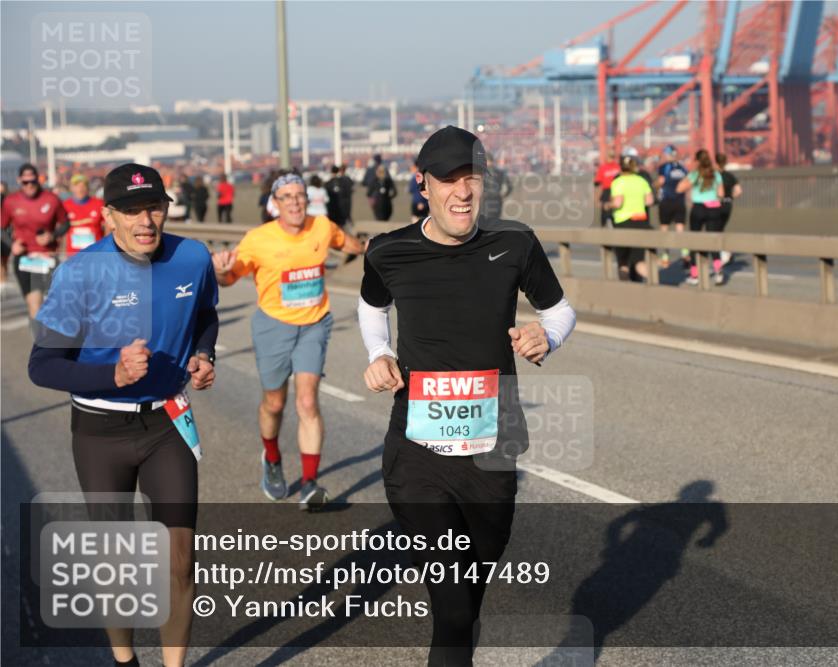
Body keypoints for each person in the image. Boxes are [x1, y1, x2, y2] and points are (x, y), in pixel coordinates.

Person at [359, 125, 576, 666]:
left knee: (468, 603)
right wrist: (377, 353)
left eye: (472, 178)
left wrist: (545, 335)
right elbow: (370, 305)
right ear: (423, 185)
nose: (462, 191)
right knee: (453, 606)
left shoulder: (514, 243)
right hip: (417, 454)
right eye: (449, 180)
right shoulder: (390, 252)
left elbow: (560, 310)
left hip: (492, 451)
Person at [27, 162, 219, 667]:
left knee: (180, 561)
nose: (145, 221)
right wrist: (110, 375)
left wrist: (205, 354)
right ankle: (125, 660)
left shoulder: (193, 257)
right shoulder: (80, 272)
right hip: (99, 431)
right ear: (108, 213)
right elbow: (42, 365)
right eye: (131, 210)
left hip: (166, 425)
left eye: (154, 207)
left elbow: (205, 315)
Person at [211, 171, 365, 509]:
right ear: (274, 204)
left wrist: (372, 247)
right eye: (287, 197)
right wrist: (222, 270)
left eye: (300, 196)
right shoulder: (257, 239)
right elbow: (228, 279)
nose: (294, 202)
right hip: (273, 326)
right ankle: (272, 457)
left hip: (314, 323)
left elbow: (350, 244)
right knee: (275, 403)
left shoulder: (322, 227)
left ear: (306, 200)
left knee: (307, 401)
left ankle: (310, 483)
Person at [1, 163, 69, 319]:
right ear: (19, 181)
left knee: (55, 305)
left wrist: (53, 235)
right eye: (25, 182)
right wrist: (12, 245)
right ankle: (42, 342)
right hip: (25, 258)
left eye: (33, 181)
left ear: (38, 179)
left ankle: (54, 338)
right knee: (34, 305)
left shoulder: (51, 199)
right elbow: (1, 228)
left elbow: (65, 223)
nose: (30, 185)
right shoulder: (11, 201)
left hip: (48, 257)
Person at [676, 151, 726, 285]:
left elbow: (679, 189)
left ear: (697, 161)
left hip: (699, 209)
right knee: (713, 240)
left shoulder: (695, 174)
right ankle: (718, 271)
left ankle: (694, 274)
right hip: (714, 207)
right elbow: (721, 193)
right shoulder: (716, 174)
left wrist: (689, 182)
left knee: (694, 241)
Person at [609, 154, 654, 282]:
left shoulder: (618, 182)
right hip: (641, 222)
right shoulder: (641, 181)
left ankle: (625, 291)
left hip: (623, 223)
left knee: (623, 261)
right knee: (639, 260)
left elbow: (618, 203)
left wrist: (608, 205)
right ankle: (654, 282)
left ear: (621, 168)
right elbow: (649, 201)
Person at [656, 145, 688, 266]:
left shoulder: (664, 167)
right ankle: (685, 254)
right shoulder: (682, 168)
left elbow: (661, 182)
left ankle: (665, 256)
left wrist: (654, 187)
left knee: (664, 230)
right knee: (680, 230)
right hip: (680, 201)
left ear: (667, 154)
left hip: (666, 201)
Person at [63, 173, 106, 258]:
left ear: (88, 188)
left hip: (95, 253)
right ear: (71, 188)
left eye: (83, 185)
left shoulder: (99, 204)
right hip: (73, 255)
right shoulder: (64, 205)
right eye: (77, 186)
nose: (80, 189)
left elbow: (108, 226)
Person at [715, 153, 743, 266]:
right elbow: (739, 191)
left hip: (717, 205)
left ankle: (725, 253)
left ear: (716, 162)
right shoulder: (730, 176)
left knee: (716, 230)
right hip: (728, 205)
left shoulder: (715, 176)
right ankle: (724, 252)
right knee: (720, 228)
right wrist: (730, 197)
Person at [593, 150, 620, 227]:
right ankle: (603, 231)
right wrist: (597, 199)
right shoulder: (603, 168)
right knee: (604, 213)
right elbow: (597, 184)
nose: (610, 158)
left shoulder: (618, 167)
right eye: (609, 156)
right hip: (607, 192)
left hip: (617, 192)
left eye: (612, 157)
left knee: (615, 213)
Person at [481, 152, 513, 220]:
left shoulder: (481, 173)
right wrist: (503, 195)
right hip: (497, 199)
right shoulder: (501, 172)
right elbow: (510, 187)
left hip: (486, 200)